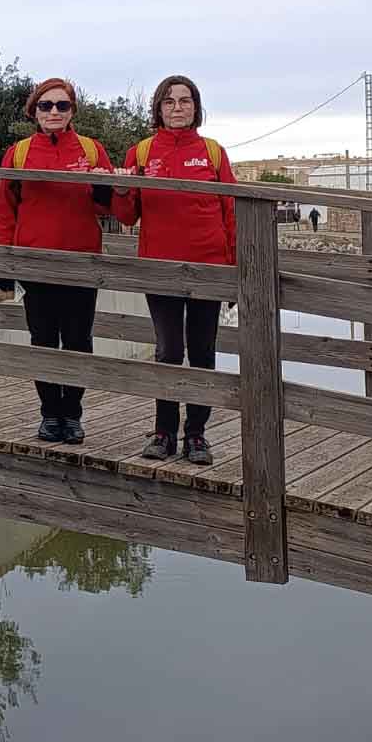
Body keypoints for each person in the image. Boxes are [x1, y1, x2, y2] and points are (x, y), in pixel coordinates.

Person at [111, 75, 236, 465]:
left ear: (197, 107)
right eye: (169, 101)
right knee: (168, 351)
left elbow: (230, 213)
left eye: (185, 101)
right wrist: (119, 189)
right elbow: (128, 216)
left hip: (208, 265)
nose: (177, 107)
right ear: (158, 108)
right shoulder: (142, 152)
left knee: (202, 352)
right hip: (160, 266)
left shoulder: (213, 153)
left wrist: (233, 269)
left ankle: (196, 435)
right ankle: (164, 431)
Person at [0, 78, 116, 444]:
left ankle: (73, 415)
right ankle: (49, 413)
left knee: (79, 341)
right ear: (34, 110)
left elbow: (109, 207)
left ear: (72, 111)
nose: (54, 112)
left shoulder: (93, 151)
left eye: (62, 106)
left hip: (81, 262)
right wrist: (4, 261)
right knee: (43, 339)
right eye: (46, 106)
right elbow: (5, 210)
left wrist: (106, 186)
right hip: (36, 263)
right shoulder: (17, 153)